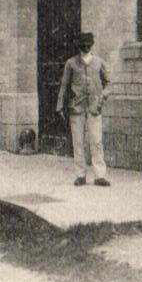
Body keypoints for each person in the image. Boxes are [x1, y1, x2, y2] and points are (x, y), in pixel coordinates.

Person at [55, 31, 110, 186]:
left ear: (92, 44)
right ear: (79, 45)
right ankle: (80, 174)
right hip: (76, 108)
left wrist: (102, 96)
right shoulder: (71, 63)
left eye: (88, 43)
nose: (86, 46)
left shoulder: (99, 62)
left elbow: (108, 83)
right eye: (83, 43)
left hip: (94, 107)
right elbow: (64, 85)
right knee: (78, 142)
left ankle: (100, 175)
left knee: (96, 141)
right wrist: (59, 106)